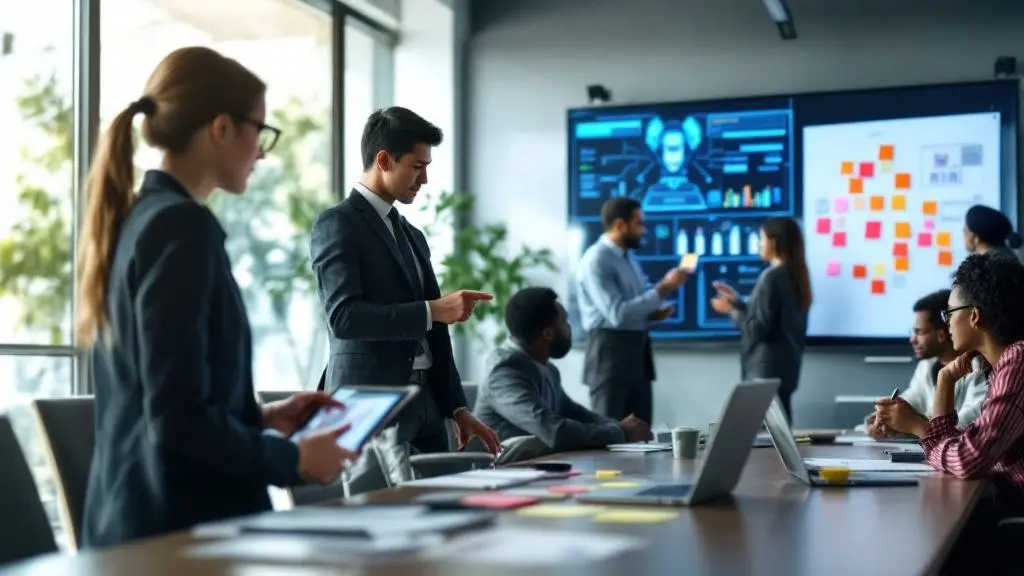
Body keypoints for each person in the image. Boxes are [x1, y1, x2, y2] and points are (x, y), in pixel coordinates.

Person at [77, 47, 355, 548]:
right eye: (260, 131)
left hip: (137, 523)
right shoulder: (182, 228)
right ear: (221, 128)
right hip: (180, 533)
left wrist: (261, 418)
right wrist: (291, 459)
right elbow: (176, 419)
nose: (263, 152)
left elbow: (162, 398)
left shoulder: (137, 220)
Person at [309, 106, 501, 489]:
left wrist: (457, 406)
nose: (425, 178)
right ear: (383, 160)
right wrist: (433, 310)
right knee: (378, 526)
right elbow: (344, 318)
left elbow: (435, 329)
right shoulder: (338, 223)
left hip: (428, 402)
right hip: (370, 402)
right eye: (417, 166)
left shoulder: (412, 234)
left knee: (440, 514)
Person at [877, 254, 1024, 499]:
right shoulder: (1001, 365)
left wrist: (917, 426)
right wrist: (945, 379)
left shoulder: (1017, 362)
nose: (947, 324)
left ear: (975, 316)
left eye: (950, 313)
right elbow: (967, 444)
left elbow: (970, 458)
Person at [475, 287, 652, 456]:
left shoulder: (547, 368)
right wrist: (621, 433)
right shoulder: (504, 373)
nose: (569, 327)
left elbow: (576, 414)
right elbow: (554, 431)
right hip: (499, 474)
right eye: (564, 321)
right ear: (548, 334)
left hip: (536, 467)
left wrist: (620, 427)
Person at [575, 197, 687, 422]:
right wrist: (664, 287)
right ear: (620, 225)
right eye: (639, 224)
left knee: (641, 434)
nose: (644, 230)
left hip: (637, 354)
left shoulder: (630, 258)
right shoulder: (596, 260)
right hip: (610, 358)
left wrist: (653, 315)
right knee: (609, 434)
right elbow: (617, 313)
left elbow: (634, 305)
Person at [710, 216, 810, 423]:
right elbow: (772, 318)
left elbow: (758, 329)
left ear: (774, 241)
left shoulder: (771, 277)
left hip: (765, 371)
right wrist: (737, 302)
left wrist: (732, 311)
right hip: (785, 369)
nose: (759, 243)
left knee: (764, 443)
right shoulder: (793, 275)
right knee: (779, 438)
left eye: (761, 238)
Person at [864, 290, 988, 439]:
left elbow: (968, 424)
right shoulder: (926, 367)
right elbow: (912, 401)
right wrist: (890, 420)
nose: (912, 339)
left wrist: (911, 423)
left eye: (920, 332)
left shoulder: (980, 367)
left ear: (942, 334)